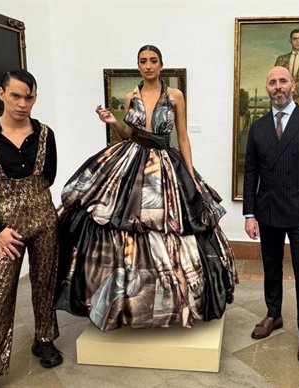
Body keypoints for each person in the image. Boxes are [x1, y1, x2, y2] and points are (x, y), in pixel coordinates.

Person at [53, 45, 237, 331]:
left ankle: (173, 302)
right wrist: (114, 121)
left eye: (153, 61)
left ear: (161, 65)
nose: (148, 65)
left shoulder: (175, 95)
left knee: (170, 224)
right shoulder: (131, 96)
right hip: (131, 159)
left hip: (165, 163)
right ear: (138, 66)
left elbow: (183, 137)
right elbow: (130, 134)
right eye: (143, 61)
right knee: (122, 220)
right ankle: (125, 301)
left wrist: (189, 176)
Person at [0, 70, 63, 388]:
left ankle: (44, 338)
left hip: (45, 220)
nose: (23, 103)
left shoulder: (45, 134)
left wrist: (21, 192)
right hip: (6, 228)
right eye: (16, 96)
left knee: (45, 282)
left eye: (29, 97)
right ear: (2, 94)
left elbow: (47, 176)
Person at [243, 66, 299, 365]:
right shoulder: (258, 127)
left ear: (292, 85)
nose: (278, 87)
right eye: (272, 82)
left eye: (282, 81)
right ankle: (274, 314)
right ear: (267, 88)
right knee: (271, 267)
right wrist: (249, 213)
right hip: (267, 210)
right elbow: (251, 171)